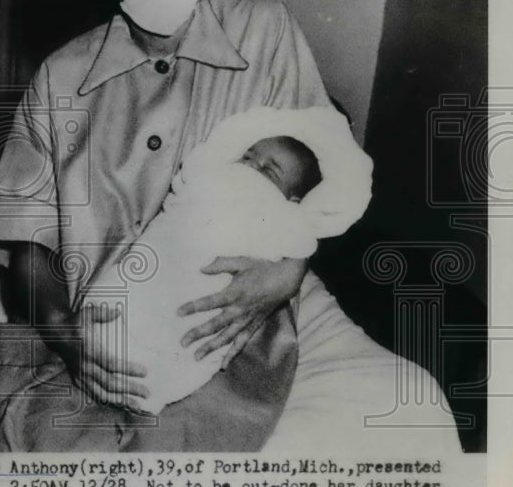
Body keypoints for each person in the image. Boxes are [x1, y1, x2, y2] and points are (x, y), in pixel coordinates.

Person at [0, 0, 336, 452]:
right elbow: (28, 247)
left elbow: (323, 176)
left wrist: (288, 270)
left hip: (215, 336)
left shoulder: (266, 28)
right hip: (80, 336)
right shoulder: (60, 76)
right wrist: (65, 335)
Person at [76, 105, 373, 416]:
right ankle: (107, 339)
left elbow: (301, 241)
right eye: (248, 157)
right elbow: (185, 187)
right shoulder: (212, 176)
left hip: (202, 282)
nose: (251, 168)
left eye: (268, 171)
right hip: (167, 256)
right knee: (131, 288)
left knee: (192, 328)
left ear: (293, 200)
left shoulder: (285, 214)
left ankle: (152, 377)